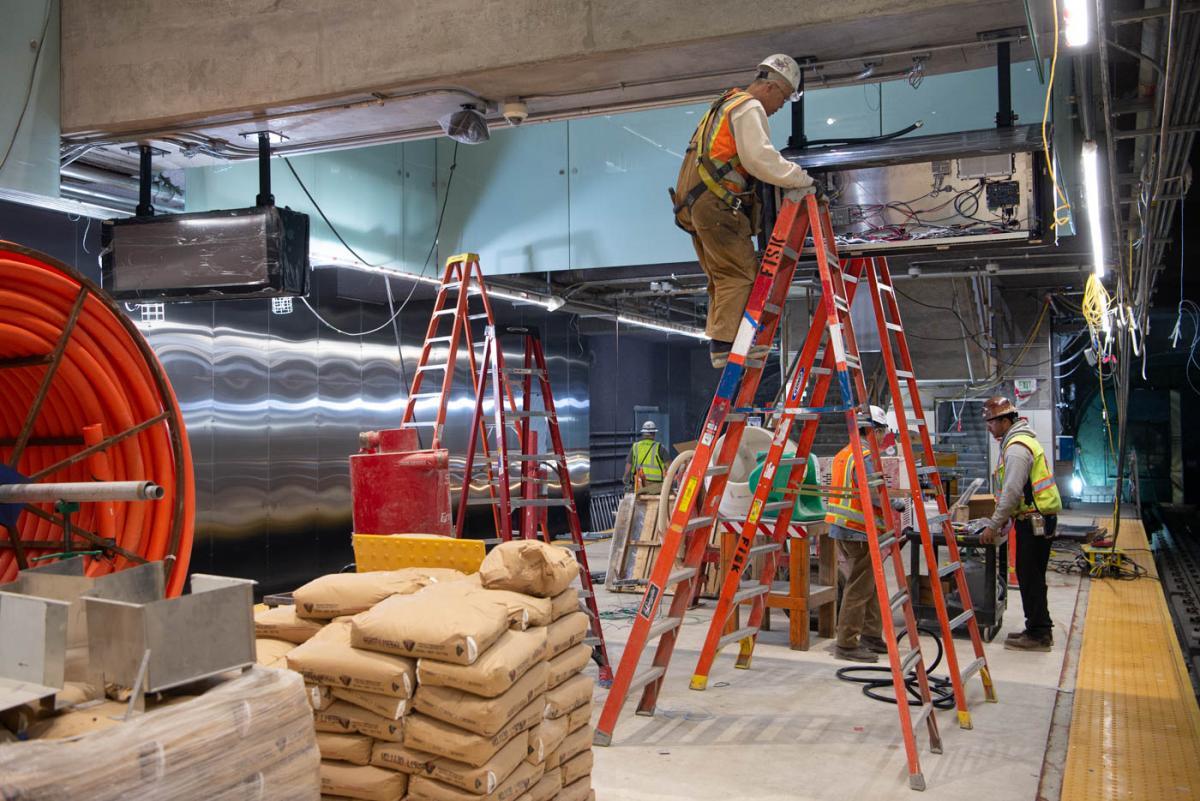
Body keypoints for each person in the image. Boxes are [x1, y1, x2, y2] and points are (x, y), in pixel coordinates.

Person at [671, 54, 817, 368]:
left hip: (694, 204)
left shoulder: (724, 104)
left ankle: (724, 342)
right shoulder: (748, 107)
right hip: (716, 203)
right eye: (783, 97)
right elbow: (759, 159)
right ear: (772, 86)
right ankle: (726, 347)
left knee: (723, 275)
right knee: (741, 273)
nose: (779, 107)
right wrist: (800, 179)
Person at [977, 396, 1062, 652]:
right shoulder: (1021, 441)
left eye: (991, 422)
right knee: (1030, 576)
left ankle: (1039, 634)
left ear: (1005, 420)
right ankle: (1036, 628)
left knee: (1030, 577)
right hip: (1035, 519)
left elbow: (1012, 491)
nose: (988, 427)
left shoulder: (1016, 447)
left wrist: (993, 524)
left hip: (1034, 522)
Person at [825, 405, 891, 663]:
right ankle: (847, 644)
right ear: (871, 430)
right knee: (859, 588)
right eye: (882, 431)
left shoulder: (845, 453)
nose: (884, 436)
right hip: (857, 530)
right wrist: (891, 502)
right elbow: (872, 494)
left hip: (844, 527)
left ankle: (871, 635)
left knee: (869, 584)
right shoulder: (864, 455)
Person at [624, 421, 668, 494]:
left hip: (639, 485)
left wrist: (626, 478)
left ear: (643, 433)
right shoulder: (660, 448)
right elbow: (670, 466)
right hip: (656, 488)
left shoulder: (635, 447)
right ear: (654, 433)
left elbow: (629, 465)